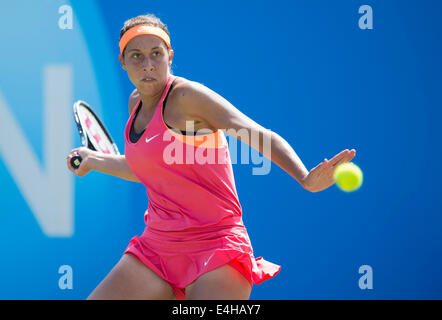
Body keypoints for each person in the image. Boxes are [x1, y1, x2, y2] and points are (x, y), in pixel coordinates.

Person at [66, 14, 356, 300]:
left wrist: (305, 178)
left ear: (170, 56)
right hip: (156, 247)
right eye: (136, 56)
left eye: (156, 54)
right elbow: (148, 169)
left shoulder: (187, 98)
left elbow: (258, 134)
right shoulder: (135, 105)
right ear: (123, 62)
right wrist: (93, 160)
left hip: (216, 246)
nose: (148, 65)